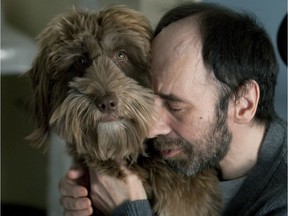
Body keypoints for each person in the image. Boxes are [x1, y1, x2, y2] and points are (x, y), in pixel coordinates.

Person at [58, 2, 287, 216]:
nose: (149, 128)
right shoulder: (192, 155)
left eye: (175, 106)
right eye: (150, 98)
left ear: (243, 104)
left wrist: (128, 209)